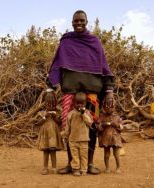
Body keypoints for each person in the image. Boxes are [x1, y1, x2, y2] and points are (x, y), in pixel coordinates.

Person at [45, 10, 115, 175]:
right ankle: (72, 163)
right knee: (70, 127)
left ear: (86, 21)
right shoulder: (66, 43)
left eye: (81, 20)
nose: (78, 23)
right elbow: (56, 66)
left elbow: (104, 67)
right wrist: (50, 88)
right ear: (71, 22)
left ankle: (89, 163)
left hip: (92, 93)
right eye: (75, 21)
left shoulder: (94, 42)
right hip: (70, 92)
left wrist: (110, 90)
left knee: (91, 128)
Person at [61, 92, 93, 176]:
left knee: (84, 155)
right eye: (77, 103)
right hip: (73, 140)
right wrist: (65, 135)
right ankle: (76, 169)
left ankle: (84, 169)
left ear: (85, 103)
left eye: (82, 103)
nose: (79, 105)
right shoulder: (71, 114)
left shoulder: (87, 113)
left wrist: (83, 114)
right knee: (74, 155)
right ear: (73, 103)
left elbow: (89, 123)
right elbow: (68, 127)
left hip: (84, 139)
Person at [37, 92, 64, 175]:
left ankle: (54, 167)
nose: (51, 106)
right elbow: (38, 123)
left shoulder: (58, 113)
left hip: (53, 135)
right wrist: (45, 117)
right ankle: (45, 168)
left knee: (53, 151)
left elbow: (60, 123)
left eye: (53, 104)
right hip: (45, 135)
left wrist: (55, 117)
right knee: (45, 151)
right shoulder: (42, 113)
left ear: (55, 104)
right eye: (48, 104)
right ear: (45, 104)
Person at [97, 95, 123, 173]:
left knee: (116, 154)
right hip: (106, 138)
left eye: (111, 106)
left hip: (115, 138)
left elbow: (122, 127)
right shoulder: (102, 117)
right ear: (104, 106)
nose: (109, 108)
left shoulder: (117, 117)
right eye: (107, 106)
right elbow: (98, 127)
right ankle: (107, 168)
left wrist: (117, 125)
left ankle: (118, 167)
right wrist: (103, 125)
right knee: (106, 154)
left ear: (114, 106)